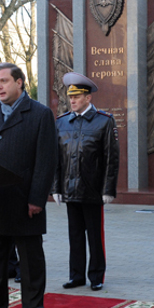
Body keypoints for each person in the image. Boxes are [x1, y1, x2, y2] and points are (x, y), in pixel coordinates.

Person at [0, 62, 57, 308]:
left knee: (30, 262)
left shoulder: (40, 114)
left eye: (5, 81)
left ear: (20, 83)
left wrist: (37, 199)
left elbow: (46, 161)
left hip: (25, 202)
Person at [52, 72, 120, 291]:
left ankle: (96, 276)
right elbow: (56, 159)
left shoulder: (104, 121)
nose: (72, 100)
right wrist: (56, 187)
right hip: (70, 189)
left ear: (88, 98)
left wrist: (108, 189)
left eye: (77, 96)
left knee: (94, 236)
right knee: (75, 236)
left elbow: (112, 158)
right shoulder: (62, 122)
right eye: (70, 97)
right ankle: (76, 275)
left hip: (93, 190)